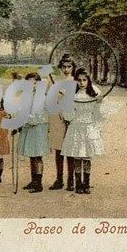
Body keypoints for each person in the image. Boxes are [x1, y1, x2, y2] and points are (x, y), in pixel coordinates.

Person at [61, 68, 105, 194]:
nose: (81, 83)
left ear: (88, 81)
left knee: (86, 157)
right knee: (77, 156)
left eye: (84, 80)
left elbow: (97, 115)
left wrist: (98, 104)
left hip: (89, 127)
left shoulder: (94, 94)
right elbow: (68, 116)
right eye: (79, 80)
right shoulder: (73, 95)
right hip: (76, 127)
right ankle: (78, 184)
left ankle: (86, 183)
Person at [48, 54, 77, 191]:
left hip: (72, 119)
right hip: (58, 118)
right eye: (64, 66)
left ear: (72, 67)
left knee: (70, 149)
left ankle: (71, 180)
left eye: (69, 66)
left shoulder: (76, 81)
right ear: (60, 67)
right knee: (59, 150)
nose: (66, 69)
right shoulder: (54, 81)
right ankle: (59, 179)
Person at [17, 72, 50, 193]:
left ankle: (38, 182)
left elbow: (37, 116)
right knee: (32, 154)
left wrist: (24, 119)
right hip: (29, 128)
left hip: (38, 128)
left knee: (38, 155)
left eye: (35, 82)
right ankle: (33, 180)